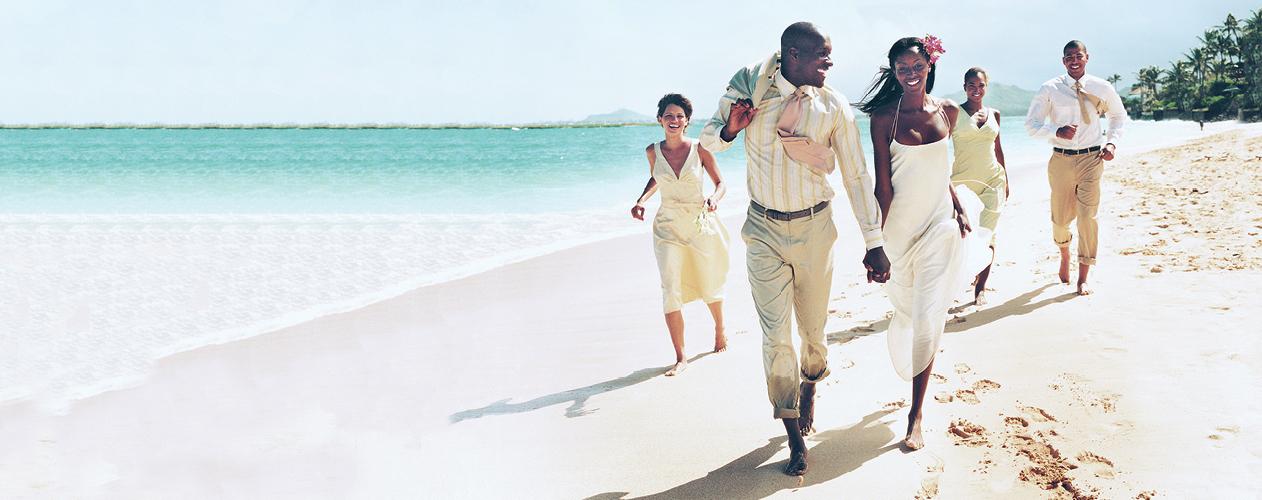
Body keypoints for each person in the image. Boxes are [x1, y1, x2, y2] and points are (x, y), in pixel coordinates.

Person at [700, 22, 890, 476]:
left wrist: (874, 241)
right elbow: (706, 143)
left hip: (815, 229)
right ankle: (792, 433)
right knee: (775, 337)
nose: (830, 63)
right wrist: (730, 128)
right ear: (792, 55)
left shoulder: (833, 104)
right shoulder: (750, 85)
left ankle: (810, 383)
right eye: (822, 56)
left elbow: (856, 175)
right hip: (762, 229)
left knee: (813, 331)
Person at [859, 36, 986, 451]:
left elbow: (940, 168)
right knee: (908, 311)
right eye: (902, 69)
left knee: (930, 316)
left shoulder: (948, 111)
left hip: (940, 226)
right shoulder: (883, 118)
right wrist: (875, 242)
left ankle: (915, 416)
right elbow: (883, 185)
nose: (910, 75)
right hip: (899, 231)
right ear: (893, 72)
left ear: (929, 66)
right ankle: (912, 379)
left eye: (916, 67)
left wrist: (957, 206)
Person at [631, 93, 730, 377]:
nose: (674, 121)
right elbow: (658, 178)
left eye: (679, 116)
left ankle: (719, 328)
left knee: (707, 279)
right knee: (670, 286)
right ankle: (681, 356)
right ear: (660, 119)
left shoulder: (701, 148)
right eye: (669, 116)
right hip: (667, 227)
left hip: (699, 222)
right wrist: (641, 200)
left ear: (687, 121)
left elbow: (721, 182)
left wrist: (715, 199)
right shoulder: (652, 151)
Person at [1024, 40, 1128, 295]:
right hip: (1060, 160)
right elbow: (1031, 124)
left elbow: (1118, 115)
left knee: (1087, 217)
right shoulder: (1050, 88)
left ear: (1087, 57)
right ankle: (1064, 252)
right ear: (1063, 61)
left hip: (1092, 159)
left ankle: (1083, 274)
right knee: (1060, 220)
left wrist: (1112, 143)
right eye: (1069, 56)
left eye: (1078, 55)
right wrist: (1056, 130)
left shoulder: (1101, 87)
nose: (1074, 60)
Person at [950, 67, 1009, 305]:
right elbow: (937, 148)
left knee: (988, 234)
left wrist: (1007, 180)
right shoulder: (953, 113)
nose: (976, 89)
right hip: (962, 185)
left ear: (986, 86)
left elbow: (998, 149)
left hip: (993, 181)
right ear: (964, 87)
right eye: (971, 85)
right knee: (962, 236)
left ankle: (981, 288)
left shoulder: (994, 114)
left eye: (981, 85)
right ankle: (960, 280)